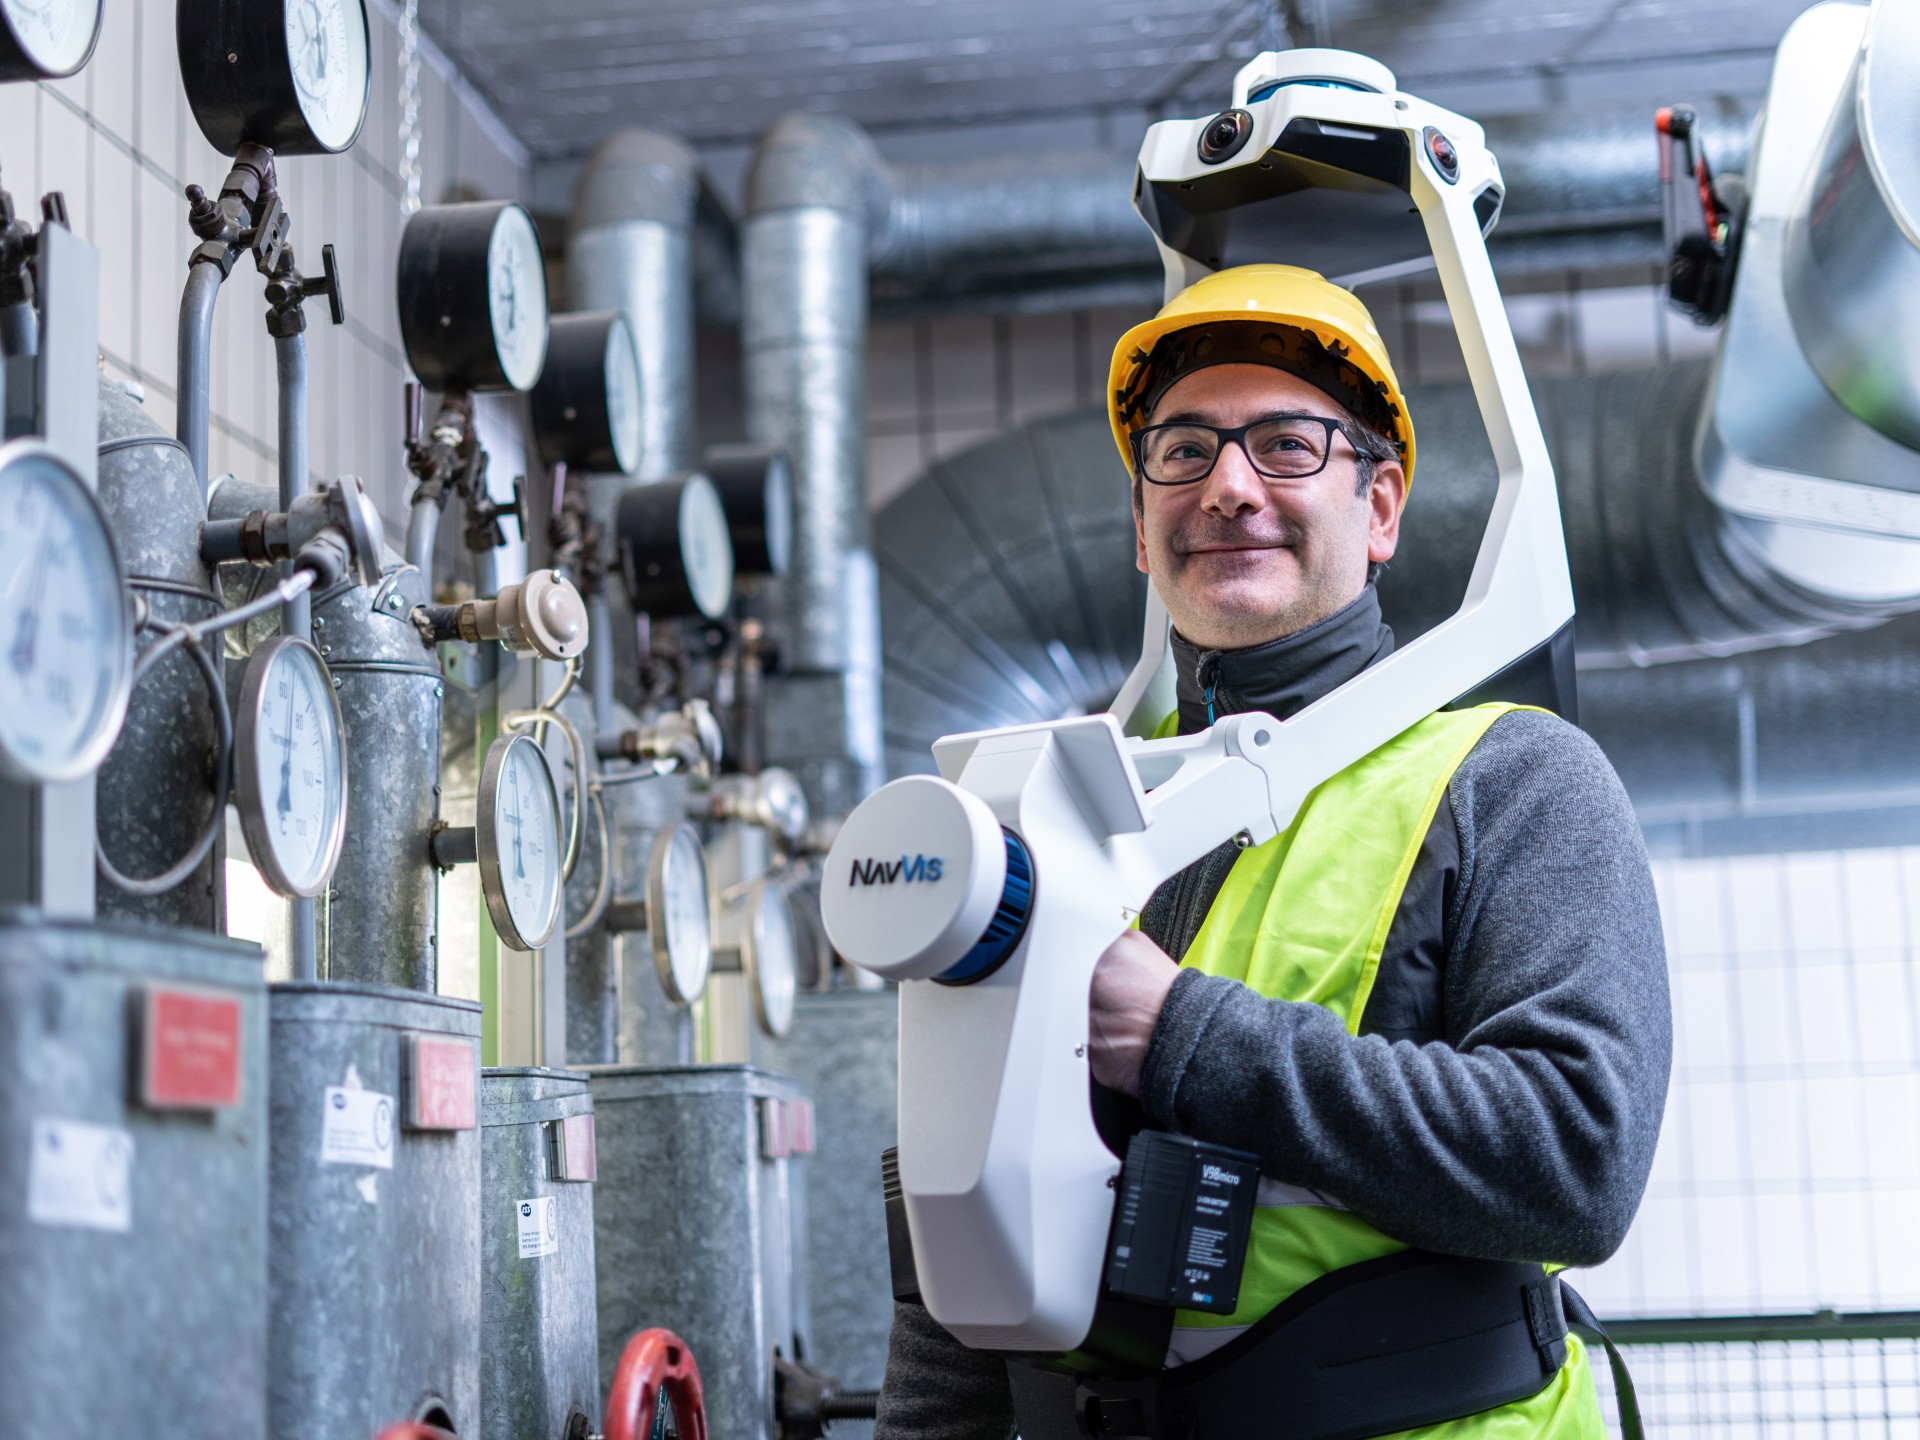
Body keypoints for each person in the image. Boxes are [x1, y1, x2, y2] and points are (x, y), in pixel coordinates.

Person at [873, 264, 1671, 1440]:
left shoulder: (1511, 778)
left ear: (1382, 506)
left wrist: (1181, 1035)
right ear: (1142, 529)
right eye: (1183, 451)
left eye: (1288, 445)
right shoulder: (1060, 814)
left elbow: (1575, 1158)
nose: (1228, 487)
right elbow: (959, 1236)